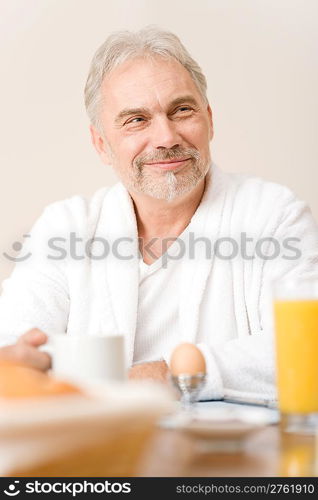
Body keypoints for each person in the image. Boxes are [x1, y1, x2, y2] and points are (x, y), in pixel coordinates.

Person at [0, 26, 317, 401]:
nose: (166, 137)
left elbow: (305, 348)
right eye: (136, 119)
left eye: (181, 110)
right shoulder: (64, 228)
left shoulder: (273, 215)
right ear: (102, 144)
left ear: (210, 120)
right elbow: (14, 346)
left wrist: (171, 374)